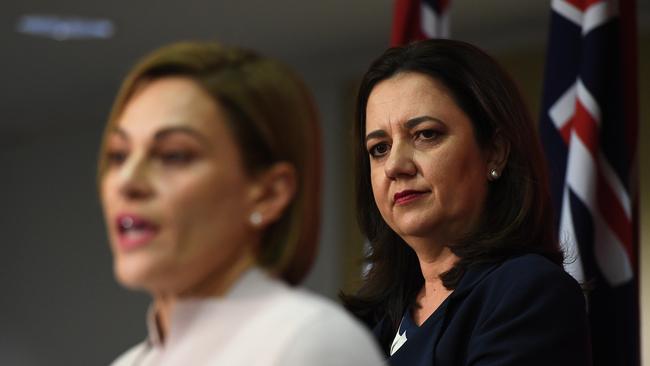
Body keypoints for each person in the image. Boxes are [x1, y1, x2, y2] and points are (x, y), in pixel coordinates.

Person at [98, 41, 384, 366]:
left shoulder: (311, 343)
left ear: (269, 193)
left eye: (173, 155)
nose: (127, 182)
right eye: (118, 155)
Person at [342, 39, 592, 366]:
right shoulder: (366, 324)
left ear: (495, 151)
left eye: (426, 134)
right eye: (379, 148)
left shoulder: (528, 292)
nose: (394, 166)